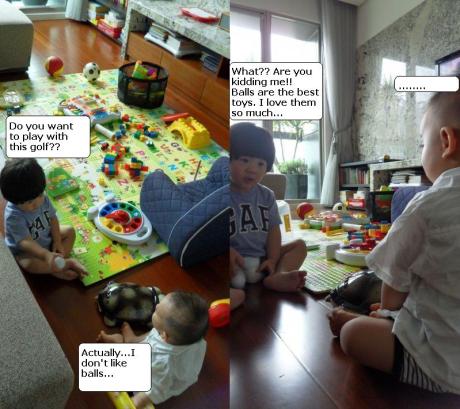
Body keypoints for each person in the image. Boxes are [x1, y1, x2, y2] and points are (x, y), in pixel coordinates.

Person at [328, 87, 460, 394]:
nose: (422, 150)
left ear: (446, 141)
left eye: (423, 143)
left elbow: (393, 281)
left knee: (352, 333)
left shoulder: (427, 205)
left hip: (440, 362)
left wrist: (387, 312)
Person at [229, 122, 307, 301]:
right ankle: (232, 293)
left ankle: (278, 276)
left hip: (261, 259)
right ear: (229, 159)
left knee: (300, 245)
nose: (252, 169)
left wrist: (272, 259)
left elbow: (273, 231)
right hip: (234, 260)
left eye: (260, 163)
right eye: (244, 160)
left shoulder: (267, 196)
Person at [98, 291, 208, 408]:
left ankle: (120, 341)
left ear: (164, 336)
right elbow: (155, 335)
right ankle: (132, 340)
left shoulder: (165, 365)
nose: (156, 306)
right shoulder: (189, 336)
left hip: (159, 378)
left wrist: (136, 402)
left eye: (157, 312)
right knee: (154, 333)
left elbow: (154, 390)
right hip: (164, 342)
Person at [0, 158, 87, 280]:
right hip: (28, 251)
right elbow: (25, 242)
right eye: (30, 202)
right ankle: (60, 266)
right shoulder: (13, 216)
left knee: (69, 231)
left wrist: (57, 241)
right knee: (28, 264)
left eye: (40, 195)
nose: (37, 203)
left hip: (46, 236)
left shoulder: (42, 198)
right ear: (14, 201)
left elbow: (53, 219)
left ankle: (56, 264)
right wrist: (45, 254)